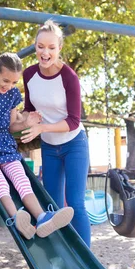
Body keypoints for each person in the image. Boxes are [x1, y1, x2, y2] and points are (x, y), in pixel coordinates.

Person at [0, 53, 74, 239]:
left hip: (6, 145)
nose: (8, 86)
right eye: (5, 80)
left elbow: (11, 127)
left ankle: (42, 218)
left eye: (14, 82)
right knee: (0, 182)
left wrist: (26, 123)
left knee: (22, 180)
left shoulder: (12, 95)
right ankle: (16, 218)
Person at [21, 20, 91, 247]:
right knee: (52, 204)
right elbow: (29, 110)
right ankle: (61, 252)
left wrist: (42, 128)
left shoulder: (68, 77)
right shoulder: (29, 74)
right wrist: (22, 119)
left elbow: (73, 121)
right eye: (41, 46)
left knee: (75, 203)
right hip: (50, 147)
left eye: (51, 47)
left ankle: (86, 259)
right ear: (35, 46)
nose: (45, 52)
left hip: (74, 143)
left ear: (59, 48)